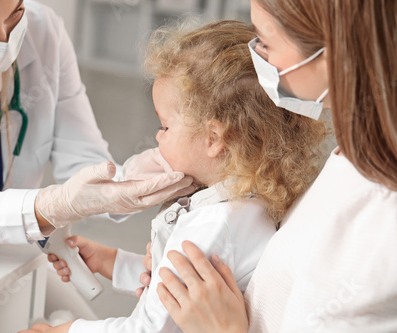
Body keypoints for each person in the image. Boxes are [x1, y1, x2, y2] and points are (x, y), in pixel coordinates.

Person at [25, 20, 327, 333]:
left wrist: (65, 331)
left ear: (213, 139)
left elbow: (149, 328)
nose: (157, 138)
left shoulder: (211, 225)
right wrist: (111, 262)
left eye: (165, 127)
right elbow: (180, 293)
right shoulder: (253, 203)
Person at [153, 0, 397, 332]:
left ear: (332, 51)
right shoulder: (356, 154)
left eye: (266, 43)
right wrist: (200, 299)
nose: (257, 58)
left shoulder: (379, 222)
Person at [0, 0, 195, 248]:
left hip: (14, 252)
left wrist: (130, 178)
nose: (4, 43)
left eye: (15, 15)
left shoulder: (42, 32)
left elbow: (82, 159)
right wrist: (51, 206)